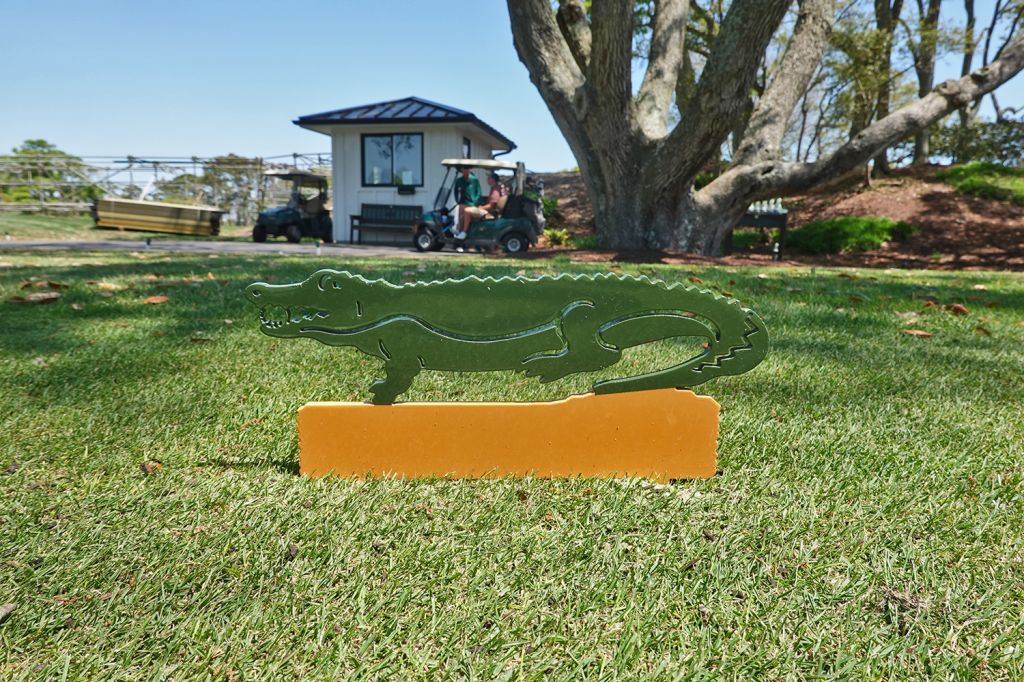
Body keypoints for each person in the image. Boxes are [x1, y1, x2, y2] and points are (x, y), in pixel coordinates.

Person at [458, 172, 503, 237]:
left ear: (493, 179)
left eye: (489, 178)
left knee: (467, 210)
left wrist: (480, 208)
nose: (487, 179)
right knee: (462, 206)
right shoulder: (493, 188)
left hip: (489, 213)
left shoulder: (496, 190)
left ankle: (464, 233)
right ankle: (460, 230)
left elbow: (491, 206)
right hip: (487, 210)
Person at [452, 167, 481, 239]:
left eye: (467, 169)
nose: (465, 171)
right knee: (460, 208)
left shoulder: (474, 180)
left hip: (472, 204)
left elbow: (479, 192)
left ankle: (462, 231)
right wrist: (457, 200)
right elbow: (455, 190)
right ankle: (459, 230)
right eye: (464, 169)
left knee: (463, 209)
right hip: (463, 202)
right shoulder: (459, 180)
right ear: (462, 171)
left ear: (469, 170)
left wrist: (475, 200)